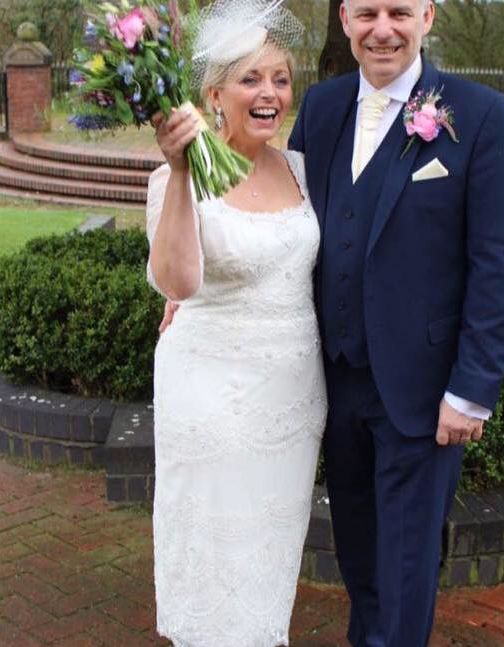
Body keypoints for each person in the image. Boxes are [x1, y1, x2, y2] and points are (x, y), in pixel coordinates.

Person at [288, 0, 504, 644]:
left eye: (399, 11)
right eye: (367, 13)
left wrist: (471, 390)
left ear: (428, 17)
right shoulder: (321, 107)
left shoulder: (481, 115)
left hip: (423, 390)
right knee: (357, 552)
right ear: (345, 20)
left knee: (406, 564)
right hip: (334, 381)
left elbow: (496, 263)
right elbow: (282, 224)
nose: (383, 29)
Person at [145, 3, 326, 645]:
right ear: (214, 95)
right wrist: (178, 172)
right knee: (215, 556)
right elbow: (177, 283)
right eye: (251, 79)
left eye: (280, 78)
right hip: (211, 396)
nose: (269, 93)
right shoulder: (176, 175)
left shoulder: (301, 168)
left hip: (293, 401)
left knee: (267, 560)